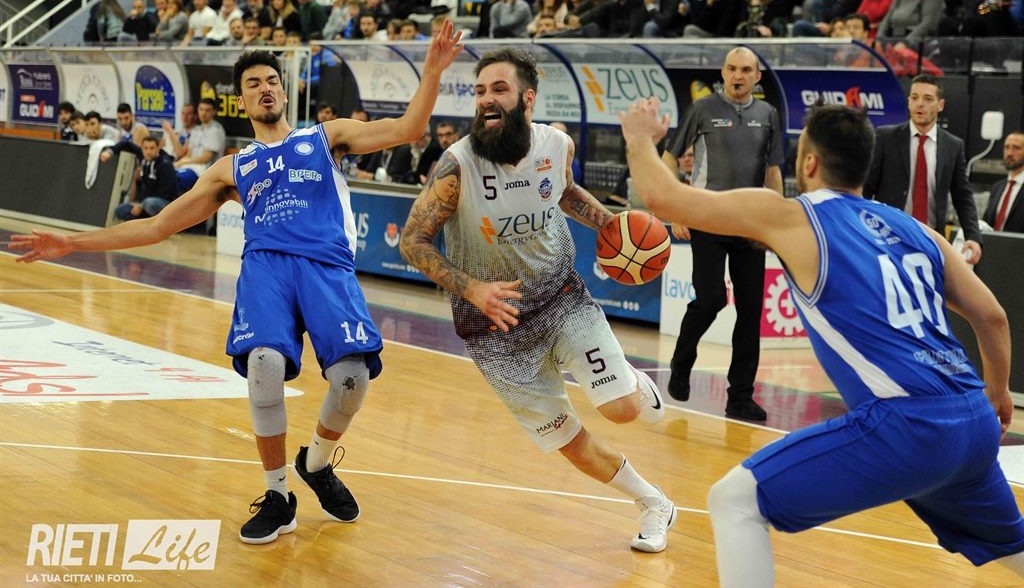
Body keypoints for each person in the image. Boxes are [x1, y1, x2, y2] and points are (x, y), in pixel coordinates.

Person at [11, 22, 464, 545]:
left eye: (272, 80)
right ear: (242, 100)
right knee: (265, 368)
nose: (264, 87)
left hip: (327, 267)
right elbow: (158, 227)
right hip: (266, 268)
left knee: (352, 379)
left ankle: (316, 464)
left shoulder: (325, 137)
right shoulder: (234, 166)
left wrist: (432, 72)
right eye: (253, 83)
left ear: (284, 92)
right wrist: (73, 243)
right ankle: (278, 495)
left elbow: (409, 127)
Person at [621, 96, 1024, 588]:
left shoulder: (794, 216)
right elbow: (993, 317)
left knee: (734, 501)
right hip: (974, 421)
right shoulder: (917, 230)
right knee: (1013, 547)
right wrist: (997, 393)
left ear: (808, 162)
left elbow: (663, 199)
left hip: (908, 423)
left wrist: (639, 138)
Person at [399, 47, 677, 554]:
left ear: (527, 98)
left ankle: (634, 384)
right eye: (480, 91)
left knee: (621, 409)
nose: (486, 99)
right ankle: (653, 502)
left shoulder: (556, 145)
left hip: (559, 298)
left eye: (499, 89)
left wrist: (612, 226)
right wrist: (472, 288)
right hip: (494, 330)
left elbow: (563, 192)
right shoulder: (456, 166)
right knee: (567, 440)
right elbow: (412, 241)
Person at [660, 47, 784, 421]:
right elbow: (669, 159)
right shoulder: (702, 109)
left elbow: (774, 170)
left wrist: (777, 224)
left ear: (757, 77)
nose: (738, 76)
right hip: (708, 219)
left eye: (746, 70)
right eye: (732, 69)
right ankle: (681, 364)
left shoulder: (768, 114)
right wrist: (675, 209)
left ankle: (740, 397)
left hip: (750, 226)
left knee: (750, 312)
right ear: (723, 72)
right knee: (711, 299)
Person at [864, 74, 982, 265]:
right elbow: (866, 187)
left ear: (940, 105)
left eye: (928, 99)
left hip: (931, 238)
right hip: (888, 236)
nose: (920, 104)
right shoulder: (885, 137)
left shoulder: (953, 146)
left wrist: (973, 236)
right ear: (908, 102)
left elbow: (962, 195)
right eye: (915, 97)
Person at [114, 135, 179, 221]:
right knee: (120, 210)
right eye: (145, 148)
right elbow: (127, 144)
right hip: (146, 202)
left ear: (158, 148)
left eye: (152, 148)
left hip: (166, 203)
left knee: (149, 203)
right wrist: (110, 151)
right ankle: (144, 223)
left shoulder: (165, 164)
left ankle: (160, 223)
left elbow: (168, 192)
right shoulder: (144, 158)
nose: (148, 151)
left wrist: (142, 205)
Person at [982, 130, 1024, 233]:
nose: (1009, 153)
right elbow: (986, 223)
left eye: (1016, 148)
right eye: (1006, 147)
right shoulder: (997, 188)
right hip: (993, 242)